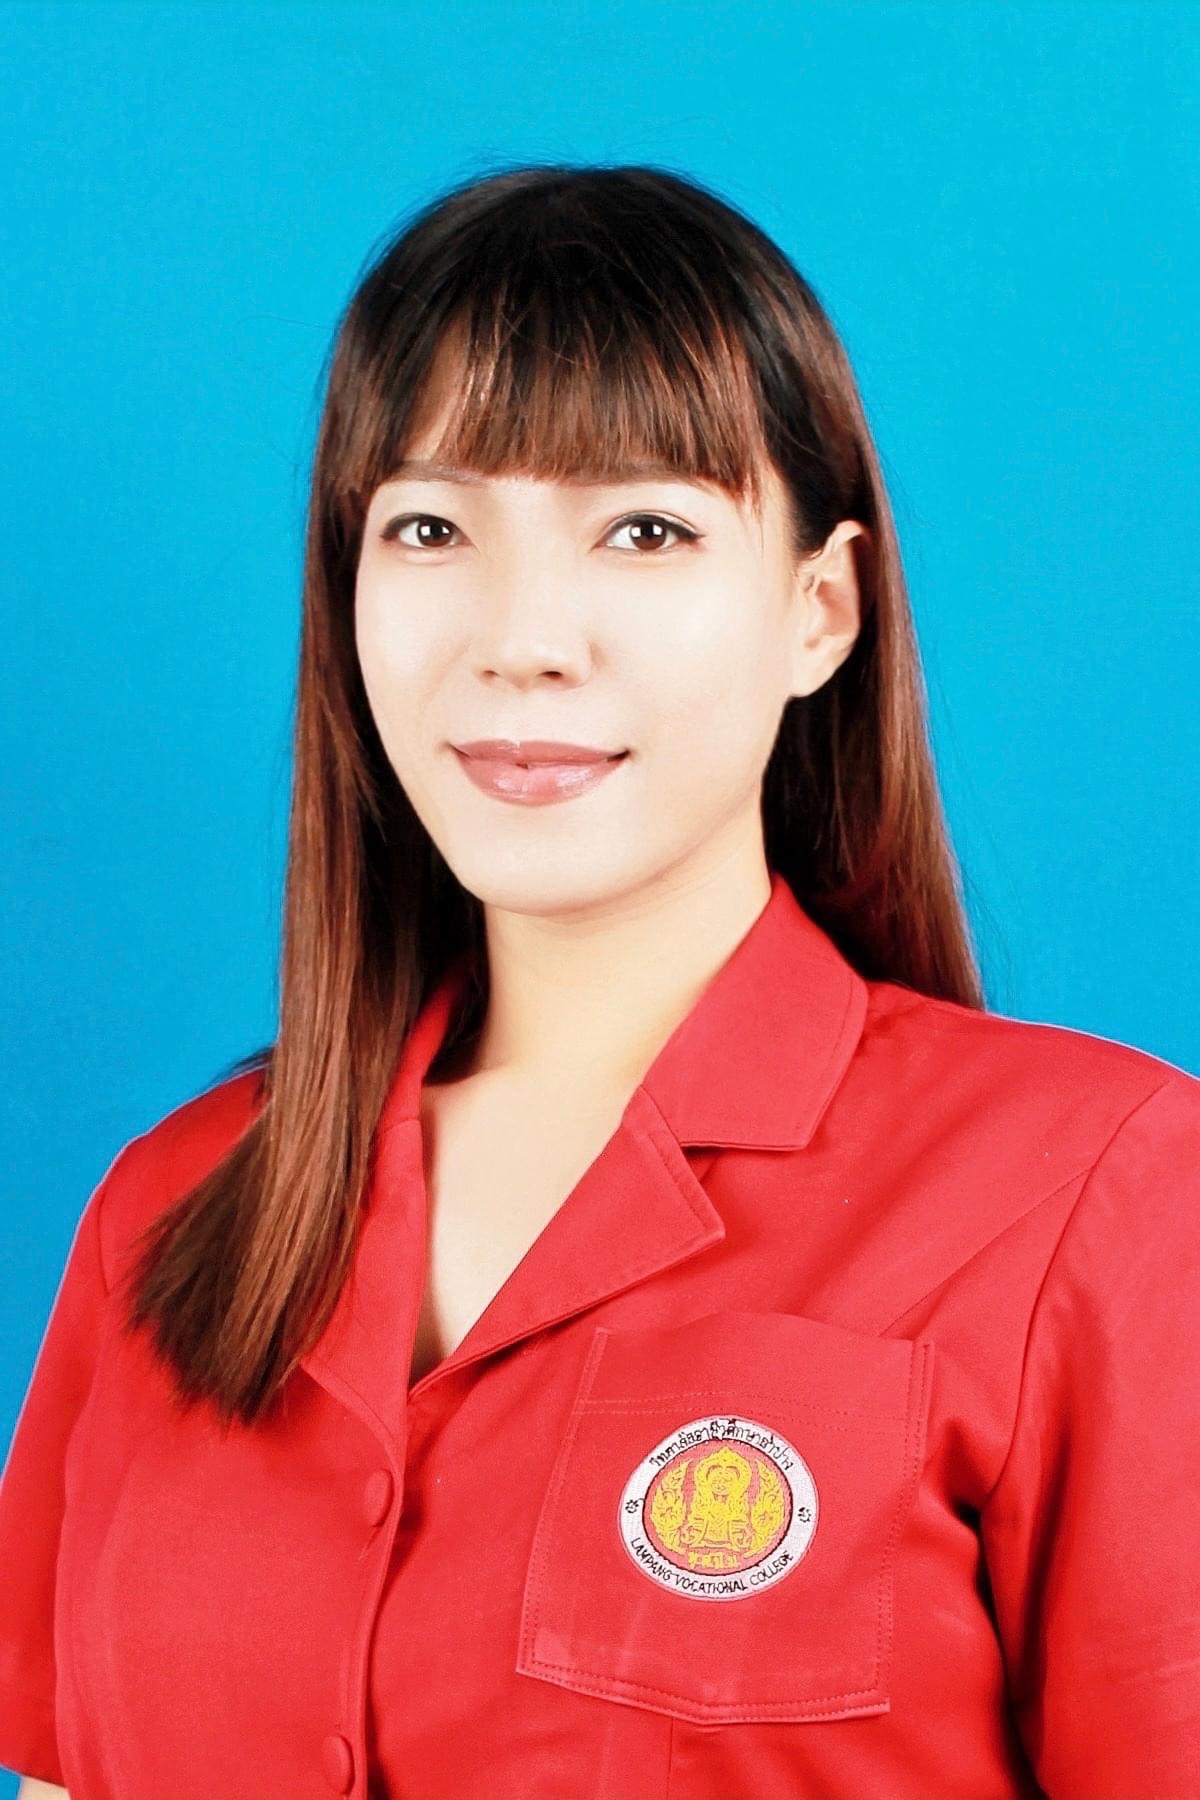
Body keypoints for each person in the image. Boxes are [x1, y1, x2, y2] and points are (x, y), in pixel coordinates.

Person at [1, 160, 1197, 1800]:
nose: (522, 638)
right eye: (431, 529)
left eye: (644, 529)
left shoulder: (1097, 1193)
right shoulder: (170, 1209)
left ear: (820, 611)